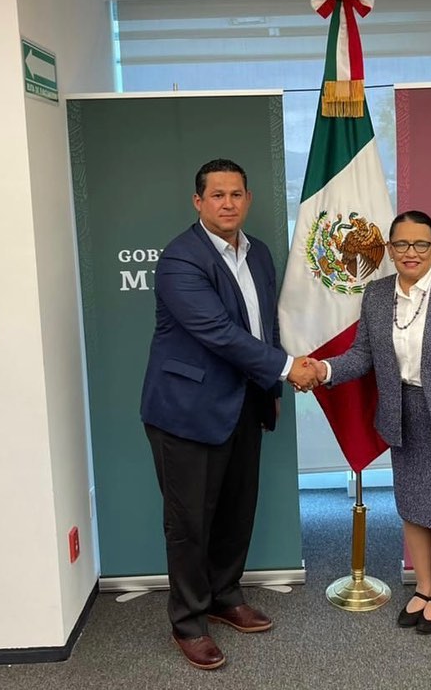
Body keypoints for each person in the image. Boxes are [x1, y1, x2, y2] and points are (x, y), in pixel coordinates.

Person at [140, 158, 318, 670]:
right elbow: (218, 332)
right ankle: (188, 622)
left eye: (236, 194)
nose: (227, 203)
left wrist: (270, 384)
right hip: (187, 411)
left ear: (249, 199)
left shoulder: (257, 252)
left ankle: (224, 596)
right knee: (190, 523)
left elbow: (263, 326)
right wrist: (287, 368)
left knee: (237, 511)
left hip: (245, 402)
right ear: (198, 202)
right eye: (217, 195)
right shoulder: (181, 258)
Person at [310, 210, 431, 635]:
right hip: (402, 413)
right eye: (401, 244)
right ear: (389, 249)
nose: (410, 252)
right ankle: (424, 586)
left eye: (420, 244)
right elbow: (363, 355)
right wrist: (324, 370)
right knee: (414, 508)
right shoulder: (378, 294)